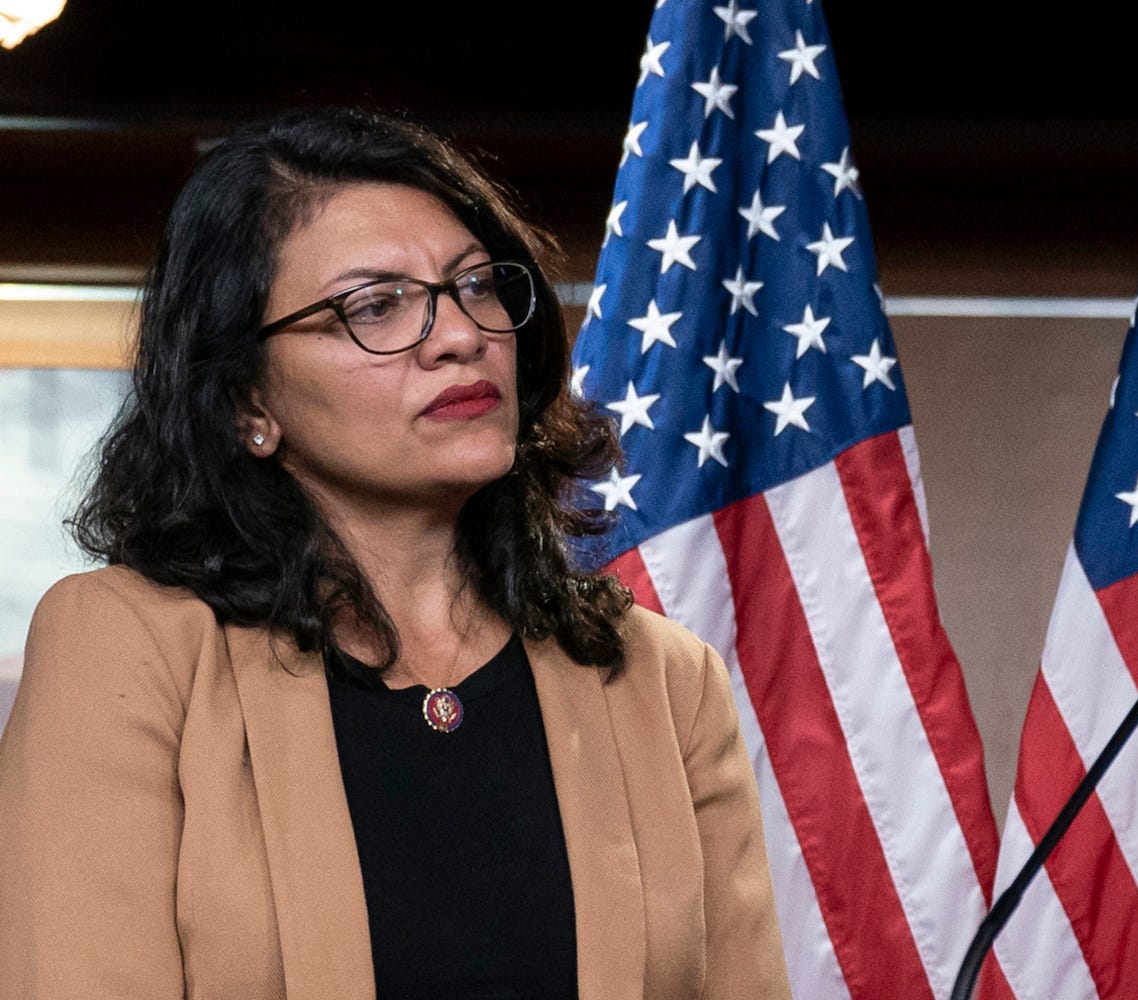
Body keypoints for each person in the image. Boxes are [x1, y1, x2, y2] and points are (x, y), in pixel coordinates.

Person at [0, 108, 791, 999]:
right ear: (245, 404)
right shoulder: (126, 645)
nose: (461, 335)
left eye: (478, 286)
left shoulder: (662, 678)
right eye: (375, 306)